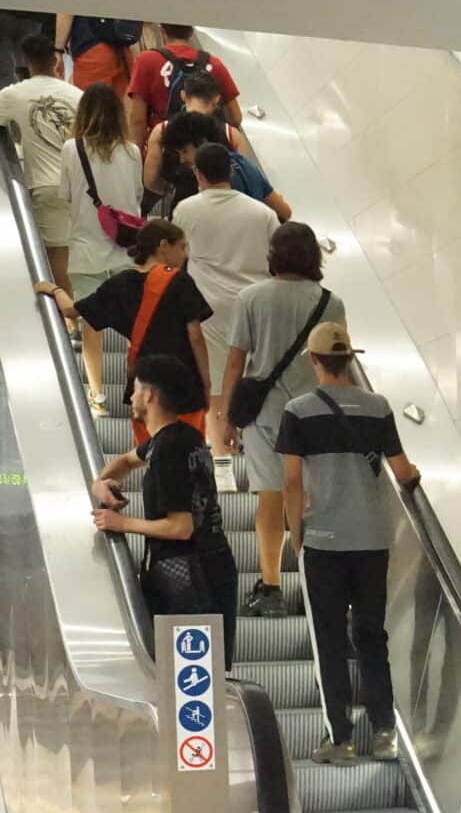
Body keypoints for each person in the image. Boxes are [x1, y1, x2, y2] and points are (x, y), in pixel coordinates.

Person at [278, 323, 421, 762]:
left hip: (324, 541)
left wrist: (295, 533)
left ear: (315, 361)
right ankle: (384, 732)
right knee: (371, 635)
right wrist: (413, 476)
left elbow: (291, 480)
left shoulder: (298, 410)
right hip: (372, 540)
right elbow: (402, 470)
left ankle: (340, 739)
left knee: (329, 641)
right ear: (349, 360)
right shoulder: (377, 407)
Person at [87, 354, 237, 668]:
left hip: (189, 580)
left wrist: (121, 522)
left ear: (150, 395)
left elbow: (180, 527)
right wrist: (101, 482)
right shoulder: (181, 437)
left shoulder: (169, 449)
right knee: (204, 676)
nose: (130, 395)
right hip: (211, 565)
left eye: (136, 388)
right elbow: (127, 460)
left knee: (191, 677)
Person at [223, 222, 341, 618]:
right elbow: (336, 363)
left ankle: (271, 587)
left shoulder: (251, 297)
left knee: (270, 500)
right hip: (316, 415)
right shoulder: (330, 302)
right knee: (311, 501)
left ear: (273, 254)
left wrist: (226, 418)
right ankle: (318, 586)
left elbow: (237, 359)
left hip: (265, 416)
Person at [35, 219, 210, 449]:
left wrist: (54, 289)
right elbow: (195, 336)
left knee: (150, 452)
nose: (185, 255)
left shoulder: (120, 284)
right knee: (188, 452)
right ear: (164, 245)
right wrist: (206, 382)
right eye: (182, 247)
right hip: (184, 383)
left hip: (144, 386)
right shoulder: (180, 280)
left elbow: (71, 311)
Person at [173, 142, 274, 452]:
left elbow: (177, 258)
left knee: (217, 385)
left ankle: (222, 459)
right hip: (255, 305)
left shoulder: (186, 210)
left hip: (209, 306)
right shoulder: (263, 213)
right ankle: (258, 451)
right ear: (231, 171)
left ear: (197, 173)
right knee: (254, 380)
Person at [54, 80, 142, 415]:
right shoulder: (132, 151)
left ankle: (97, 398)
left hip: (86, 250)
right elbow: (135, 197)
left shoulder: (70, 149)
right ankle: (138, 398)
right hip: (124, 252)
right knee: (136, 327)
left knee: (92, 327)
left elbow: (63, 195)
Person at [0, 35, 83, 269]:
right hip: (82, 185)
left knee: (54, 259)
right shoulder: (78, 95)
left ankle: (62, 305)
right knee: (77, 259)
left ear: (25, 61)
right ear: (56, 60)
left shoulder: (13, 94)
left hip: (47, 184)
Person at [140, 70, 248, 201]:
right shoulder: (231, 134)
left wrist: (173, 192)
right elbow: (245, 177)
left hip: (180, 206)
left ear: (183, 95)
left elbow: (150, 180)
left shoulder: (161, 130)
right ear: (216, 99)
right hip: (223, 206)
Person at [126, 23, 238, 146]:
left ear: (162, 31)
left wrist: (141, 154)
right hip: (205, 151)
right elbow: (235, 117)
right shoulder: (214, 64)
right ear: (191, 32)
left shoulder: (146, 60)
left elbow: (138, 120)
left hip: (164, 147)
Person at [158, 110, 286, 218]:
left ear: (202, 142)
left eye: (185, 151)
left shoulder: (197, 180)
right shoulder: (245, 164)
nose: (182, 159)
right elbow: (284, 211)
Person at [55, 14, 140, 94]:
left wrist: (58, 50)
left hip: (92, 50)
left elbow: (67, 10)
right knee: (118, 108)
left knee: (89, 107)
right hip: (124, 49)